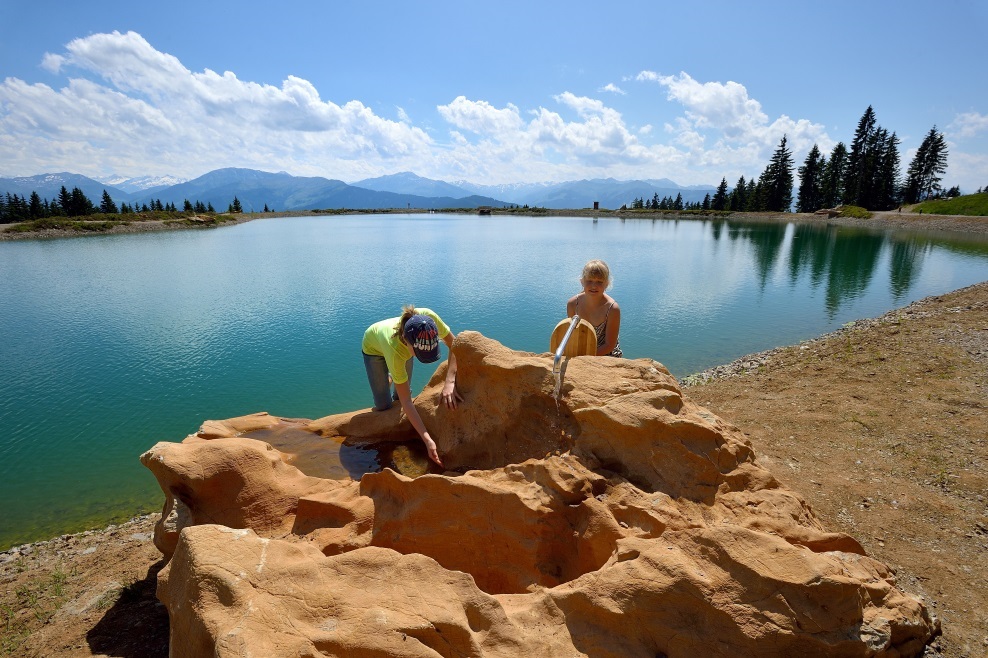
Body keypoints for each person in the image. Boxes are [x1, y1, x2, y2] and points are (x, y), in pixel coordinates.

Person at [361, 306, 462, 465]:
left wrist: (450, 381)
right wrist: (427, 439)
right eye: (419, 353)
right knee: (383, 405)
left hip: (403, 348)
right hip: (374, 348)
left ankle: (397, 376)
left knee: (399, 397)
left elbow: (455, 345)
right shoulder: (396, 352)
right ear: (406, 341)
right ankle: (391, 377)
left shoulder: (429, 320)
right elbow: (408, 402)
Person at [566, 260, 623, 357]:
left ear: (607, 284)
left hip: (607, 355)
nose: (594, 286)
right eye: (589, 281)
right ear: (582, 282)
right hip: (582, 351)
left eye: (599, 282)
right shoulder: (573, 304)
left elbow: (609, 345)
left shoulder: (612, 309)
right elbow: (573, 335)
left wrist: (586, 357)